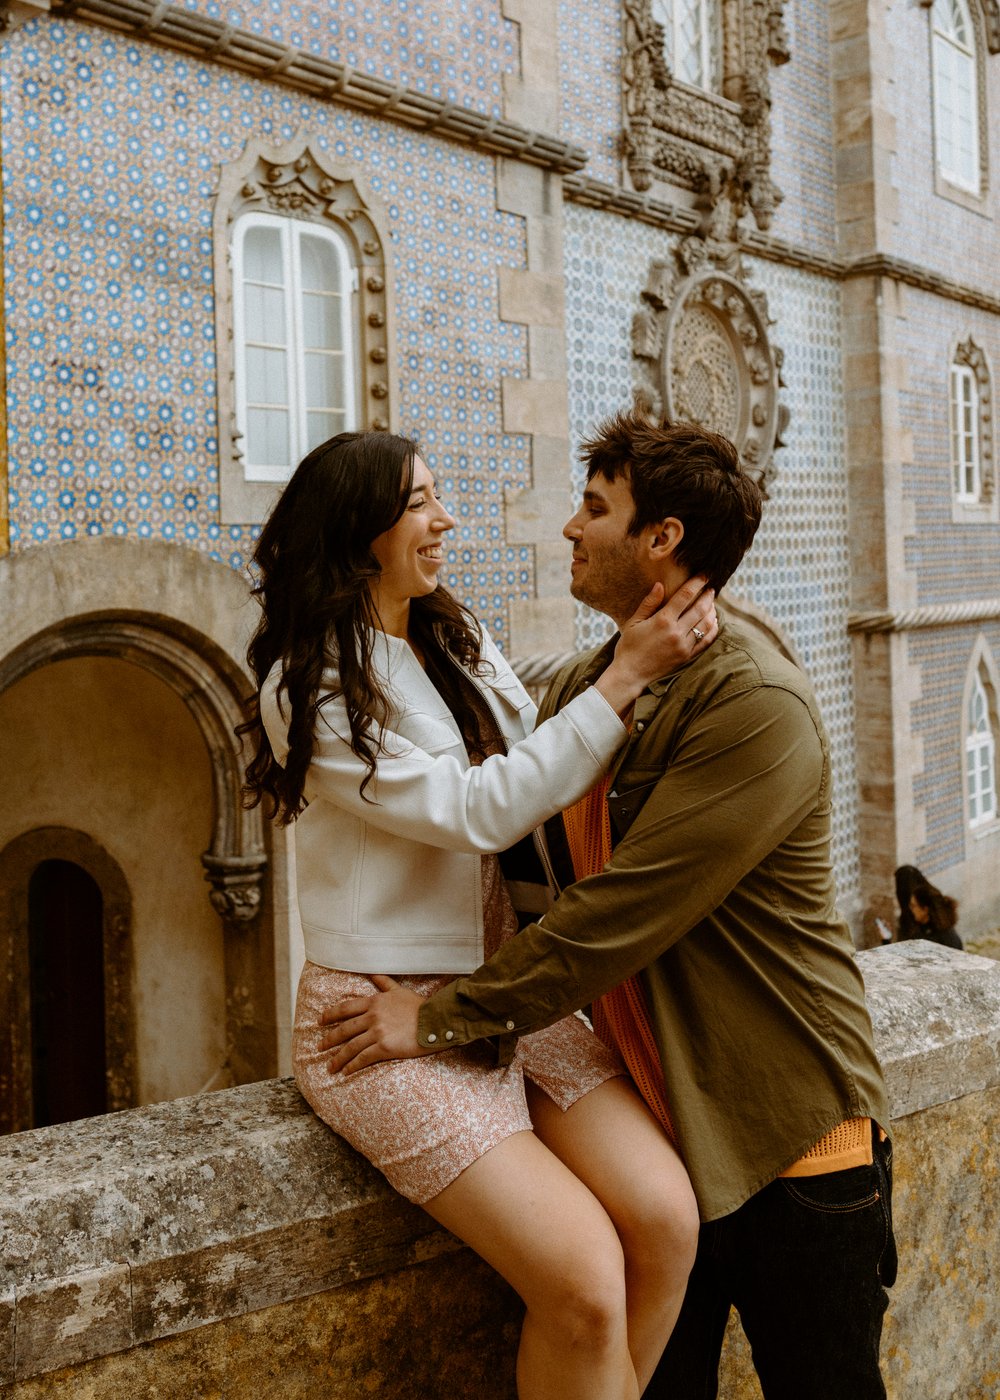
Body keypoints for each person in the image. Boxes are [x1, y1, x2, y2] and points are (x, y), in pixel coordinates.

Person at [323, 409, 898, 1400]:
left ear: (660, 538)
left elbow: (617, 916)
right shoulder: (605, 679)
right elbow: (511, 769)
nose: (569, 529)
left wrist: (436, 1015)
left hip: (786, 1145)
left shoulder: (752, 701)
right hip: (668, 1134)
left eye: (594, 509)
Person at [238, 429, 720, 1400]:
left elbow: (534, 753)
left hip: (502, 988)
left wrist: (640, 653)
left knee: (667, 1217)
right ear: (360, 526)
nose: (444, 518)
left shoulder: (449, 635)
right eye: (421, 502)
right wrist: (624, 673)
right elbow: (477, 809)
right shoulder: (312, 683)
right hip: (376, 1016)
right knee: (584, 1281)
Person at [894, 864, 963, 949]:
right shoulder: (920, 929)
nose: (911, 909)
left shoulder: (945, 937)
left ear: (925, 909)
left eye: (913, 906)